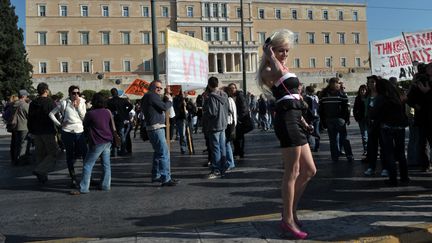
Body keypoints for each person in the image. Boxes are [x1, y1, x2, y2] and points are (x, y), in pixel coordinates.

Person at [257, 29, 316, 239]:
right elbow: (280, 77)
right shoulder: (268, 70)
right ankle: (288, 219)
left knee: (309, 170)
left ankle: (290, 212)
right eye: (281, 50)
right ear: (272, 50)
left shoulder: (282, 67)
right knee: (292, 171)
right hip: (285, 121)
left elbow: (292, 96)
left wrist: (303, 119)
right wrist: (271, 56)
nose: (284, 54)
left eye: (286, 51)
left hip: (295, 118)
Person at [71, 93, 114, 195]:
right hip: (107, 140)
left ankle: (84, 187)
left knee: (87, 164)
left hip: (97, 141)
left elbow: (85, 124)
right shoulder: (107, 112)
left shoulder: (91, 113)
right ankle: (105, 185)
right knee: (106, 164)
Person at [370, 78, 409, 186]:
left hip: (387, 127)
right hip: (399, 127)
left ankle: (393, 178)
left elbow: (373, 114)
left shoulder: (380, 98)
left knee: (389, 153)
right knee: (401, 153)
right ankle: (404, 177)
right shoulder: (397, 96)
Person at [49, 85, 87, 188]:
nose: (76, 95)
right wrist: (59, 124)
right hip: (67, 131)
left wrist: (78, 106)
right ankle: (73, 178)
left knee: (84, 155)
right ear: (69, 93)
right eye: (73, 93)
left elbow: (84, 117)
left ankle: (87, 177)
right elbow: (51, 114)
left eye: (77, 93)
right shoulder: (64, 103)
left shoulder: (82, 102)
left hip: (80, 130)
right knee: (70, 156)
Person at [141, 80, 178, 186]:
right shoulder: (152, 96)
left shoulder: (148, 96)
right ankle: (166, 178)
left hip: (153, 127)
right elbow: (164, 107)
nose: (159, 89)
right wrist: (170, 100)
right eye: (157, 87)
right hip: (156, 128)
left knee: (158, 153)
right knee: (164, 154)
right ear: (151, 87)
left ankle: (156, 175)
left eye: (160, 88)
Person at [28, 83, 58, 184]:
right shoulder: (50, 102)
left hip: (36, 131)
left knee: (40, 154)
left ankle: (42, 176)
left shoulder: (33, 103)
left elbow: (30, 118)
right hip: (48, 130)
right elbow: (56, 116)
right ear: (46, 90)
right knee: (53, 152)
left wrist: (31, 130)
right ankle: (40, 170)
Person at [319, 77, 354, 162]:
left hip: (333, 119)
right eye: (338, 83)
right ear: (332, 83)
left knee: (334, 139)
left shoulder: (324, 95)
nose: (339, 84)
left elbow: (321, 109)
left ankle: (335, 157)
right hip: (337, 119)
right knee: (343, 138)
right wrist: (345, 118)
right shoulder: (340, 94)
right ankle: (348, 155)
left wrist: (323, 121)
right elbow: (346, 108)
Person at [203, 77, 229, 179]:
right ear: (217, 84)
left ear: (209, 85)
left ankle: (216, 170)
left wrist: (205, 110)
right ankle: (223, 167)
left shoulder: (211, 97)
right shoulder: (224, 94)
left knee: (215, 148)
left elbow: (212, 112)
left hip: (214, 125)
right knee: (222, 147)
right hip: (223, 124)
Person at [107, 88, 133, 156]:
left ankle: (114, 151)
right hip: (122, 119)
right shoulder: (122, 100)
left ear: (112, 93)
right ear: (117, 93)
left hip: (113, 120)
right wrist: (126, 112)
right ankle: (123, 150)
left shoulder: (109, 101)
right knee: (122, 135)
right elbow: (131, 106)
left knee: (114, 135)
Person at [227, 83, 250, 159]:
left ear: (236, 88)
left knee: (239, 137)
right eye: (230, 89)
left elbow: (244, 109)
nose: (232, 90)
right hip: (234, 120)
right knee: (234, 137)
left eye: (233, 88)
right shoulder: (230, 97)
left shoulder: (239, 96)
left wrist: (239, 117)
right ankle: (237, 151)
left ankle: (240, 152)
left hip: (240, 120)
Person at [10, 90, 30, 165]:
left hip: (15, 126)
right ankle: (22, 160)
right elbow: (29, 115)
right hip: (24, 126)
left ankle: (15, 160)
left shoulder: (13, 104)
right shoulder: (24, 105)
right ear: (24, 96)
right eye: (26, 95)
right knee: (24, 144)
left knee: (17, 144)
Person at [304, 85, 320, 152]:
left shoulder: (310, 97)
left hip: (313, 117)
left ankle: (313, 146)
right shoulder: (313, 97)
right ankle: (314, 145)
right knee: (313, 131)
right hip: (313, 117)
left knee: (312, 132)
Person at [353, 84, 368, 156]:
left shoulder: (369, 97)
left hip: (369, 119)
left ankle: (372, 149)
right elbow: (355, 109)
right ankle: (366, 150)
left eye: (364, 90)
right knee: (364, 135)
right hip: (361, 119)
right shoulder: (357, 98)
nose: (362, 91)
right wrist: (356, 117)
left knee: (371, 135)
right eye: (361, 90)